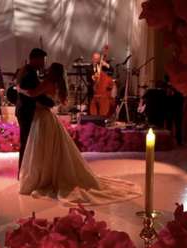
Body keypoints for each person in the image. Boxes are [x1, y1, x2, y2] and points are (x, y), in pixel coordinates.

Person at [18, 62, 142, 206]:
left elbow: (32, 93)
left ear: (52, 72)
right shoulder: (57, 84)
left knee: (42, 148)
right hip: (48, 117)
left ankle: (43, 178)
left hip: (42, 118)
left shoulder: (47, 83)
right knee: (51, 149)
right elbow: (58, 101)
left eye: (49, 69)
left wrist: (19, 89)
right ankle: (48, 175)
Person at [16, 48, 54, 176]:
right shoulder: (30, 73)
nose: (44, 63)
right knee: (27, 142)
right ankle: (24, 172)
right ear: (36, 59)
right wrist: (50, 103)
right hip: (27, 111)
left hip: (23, 110)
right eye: (43, 60)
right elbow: (35, 94)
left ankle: (24, 171)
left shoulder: (25, 70)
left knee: (26, 142)